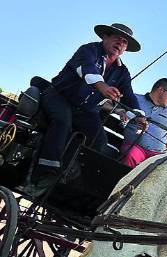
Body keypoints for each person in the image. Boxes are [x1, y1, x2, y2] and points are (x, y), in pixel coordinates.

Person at [28, 23, 146, 192]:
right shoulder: (89, 50)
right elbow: (87, 70)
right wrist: (102, 86)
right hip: (59, 96)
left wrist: (139, 115)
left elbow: (128, 95)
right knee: (62, 121)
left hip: (85, 111)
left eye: (125, 42)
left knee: (99, 141)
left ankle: (72, 178)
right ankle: (46, 171)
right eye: (117, 38)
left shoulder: (123, 72)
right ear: (105, 36)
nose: (121, 43)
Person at [120, 78, 167, 167]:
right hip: (135, 148)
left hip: (156, 155)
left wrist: (165, 152)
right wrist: (122, 112)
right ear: (161, 90)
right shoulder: (135, 99)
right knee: (130, 156)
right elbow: (112, 104)